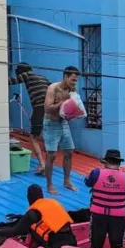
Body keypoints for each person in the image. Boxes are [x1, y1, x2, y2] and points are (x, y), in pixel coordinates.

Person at [0, 184, 76, 248]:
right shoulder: (52, 202)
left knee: (29, 227)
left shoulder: (32, 213)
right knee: (32, 225)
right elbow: (47, 220)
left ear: (29, 197)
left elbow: (14, 231)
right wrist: (22, 217)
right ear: (42, 195)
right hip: (72, 241)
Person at [85, 149, 125, 248]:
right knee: (117, 246)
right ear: (119, 162)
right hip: (117, 216)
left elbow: (87, 182)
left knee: (95, 245)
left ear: (106, 161)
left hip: (98, 215)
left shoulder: (95, 173)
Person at [43, 66, 80, 195]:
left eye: (76, 81)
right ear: (65, 77)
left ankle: (67, 181)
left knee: (69, 152)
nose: (74, 83)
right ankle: (49, 184)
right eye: (73, 80)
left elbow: (69, 108)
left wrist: (74, 114)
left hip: (63, 122)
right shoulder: (53, 88)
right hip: (51, 123)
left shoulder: (72, 90)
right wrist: (62, 102)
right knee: (51, 155)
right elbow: (47, 108)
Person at [9, 62, 50, 175]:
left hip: (40, 108)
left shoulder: (26, 75)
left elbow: (11, 81)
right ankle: (48, 164)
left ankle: (42, 164)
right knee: (47, 137)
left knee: (34, 137)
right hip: (50, 109)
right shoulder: (43, 78)